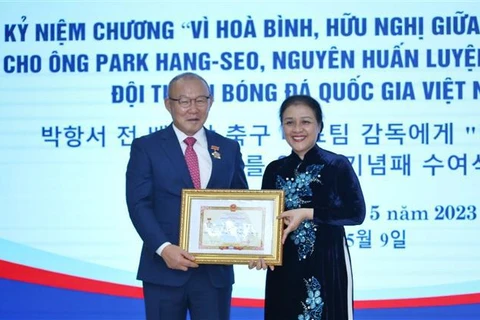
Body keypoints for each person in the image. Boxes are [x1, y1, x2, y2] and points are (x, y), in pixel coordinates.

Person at [126, 72, 249, 320]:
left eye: (200, 100)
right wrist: (163, 248)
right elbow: (139, 204)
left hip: (215, 273)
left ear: (211, 102)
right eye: (184, 101)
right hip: (164, 268)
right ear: (168, 104)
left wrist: (255, 245)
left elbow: (242, 201)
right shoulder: (146, 147)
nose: (193, 109)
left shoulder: (228, 148)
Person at [249, 95, 366, 320]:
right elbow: (266, 221)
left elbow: (356, 213)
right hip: (283, 269)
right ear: (282, 127)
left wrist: (308, 213)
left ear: (319, 126)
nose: (297, 129)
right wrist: (260, 251)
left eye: (306, 122)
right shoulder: (274, 170)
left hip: (325, 264)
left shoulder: (336, 164)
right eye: (289, 122)